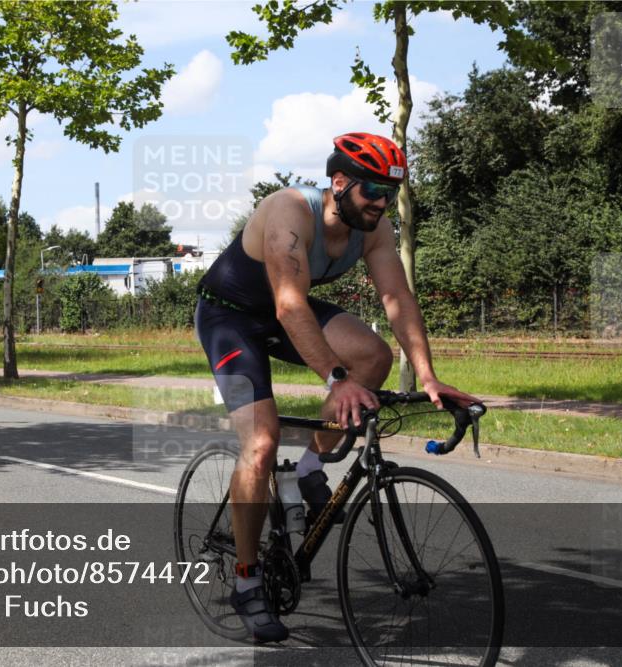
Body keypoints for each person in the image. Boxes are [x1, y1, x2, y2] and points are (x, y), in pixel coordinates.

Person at [194, 132, 479, 643]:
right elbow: (288, 303)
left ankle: (307, 468)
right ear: (340, 182)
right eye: (372, 191)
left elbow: (397, 297)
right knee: (259, 445)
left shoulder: (374, 228)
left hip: (287, 313)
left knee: (373, 355)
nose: (382, 203)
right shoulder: (289, 211)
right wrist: (335, 380)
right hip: (231, 317)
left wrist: (429, 374)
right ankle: (246, 579)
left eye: (391, 194)